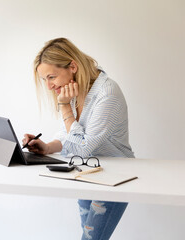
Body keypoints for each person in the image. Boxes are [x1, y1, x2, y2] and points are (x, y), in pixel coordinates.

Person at [22, 38, 135, 240]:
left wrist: (65, 107)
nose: (49, 86)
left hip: (114, 177)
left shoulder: (107, 94)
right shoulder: (75, 89)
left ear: (72, 66)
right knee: (87, 235)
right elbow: (71, 136)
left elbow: (82, 147)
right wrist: (47, 147)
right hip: (87, 172)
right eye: (44, 80)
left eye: (51, 77)